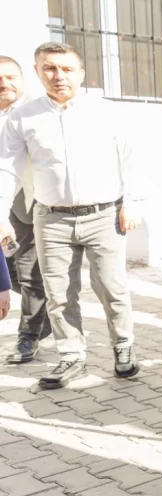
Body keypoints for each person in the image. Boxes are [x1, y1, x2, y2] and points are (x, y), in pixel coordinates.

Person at [0, 42, 142, 389]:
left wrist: (132, 201)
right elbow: (8, 168)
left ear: (80, 73)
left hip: (104, 215)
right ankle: (71, 355)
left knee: (112, 286)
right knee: (59, 292)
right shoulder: (23, 117)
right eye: (49, 68)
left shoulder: (106, 111)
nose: (58, 75)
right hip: (50, 218)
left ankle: (123, 347)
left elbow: (131, 158)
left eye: (65, 69)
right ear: (38, 72)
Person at [1, 55, 50, 363]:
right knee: (11, 274)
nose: (4, 84)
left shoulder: (36, 112)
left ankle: (29, 337)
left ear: (22, 80)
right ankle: (48, 314)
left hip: (28, 206)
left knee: (30, 274)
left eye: (10, 78)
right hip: (1, 208)